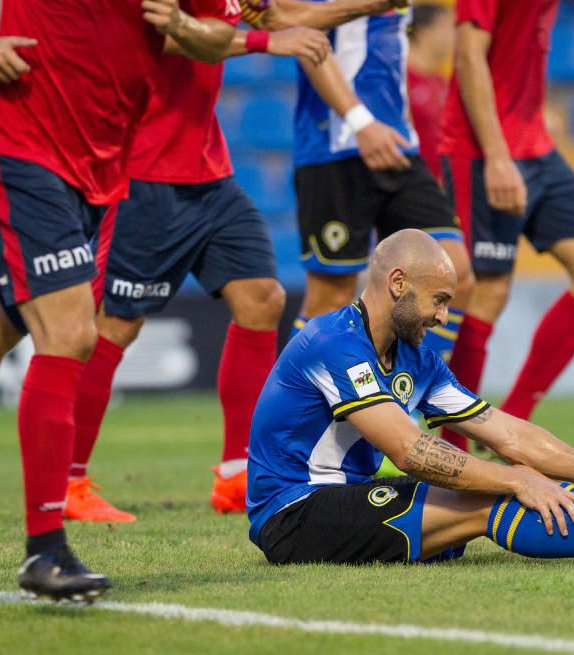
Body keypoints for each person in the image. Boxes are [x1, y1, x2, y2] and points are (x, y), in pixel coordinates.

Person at [68, 0, 415, 522]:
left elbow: (277, 18)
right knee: (118, 323)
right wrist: (263, 42)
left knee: (262, 298)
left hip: (208, 170)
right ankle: (69, 480)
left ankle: (238, 472)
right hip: (145, 169)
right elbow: (170, 35)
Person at [246, 230, 574, 564]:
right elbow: (410, 452)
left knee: (521, 483)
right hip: (292, 513)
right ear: (399, 282)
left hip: (345, 499)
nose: (443, 317)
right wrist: (516, 478)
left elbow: (508, 432)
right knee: (495, 497)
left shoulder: (417, 357)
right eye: (440, 301)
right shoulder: (332, 343)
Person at [0, 0, 176, 601]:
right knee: (72, 333)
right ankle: (46, 552)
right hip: (23, 151)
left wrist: (238, 34)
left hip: (94, 173)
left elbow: (209, 35)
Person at [437, 0, 574, 452]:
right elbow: (468, 55)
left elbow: (520, 49)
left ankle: (512, 421)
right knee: (486, 290)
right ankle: (453, 447)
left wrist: (534, 112)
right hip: (481, 149)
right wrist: (498, 156)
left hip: (535, 144)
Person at [287, 4, 475, 363]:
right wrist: (360, 122)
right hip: (336, 145)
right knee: (331, 296)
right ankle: (303, 413)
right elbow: (300, 32)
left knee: (454, 273)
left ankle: (408, 397)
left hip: (398, 141)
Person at [407, 3, 455, 181]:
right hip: (410, 181)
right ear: (423, 32)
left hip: (439, 186)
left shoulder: (442, 82)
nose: (454, 37)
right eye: (447, 28)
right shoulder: (403, 80)